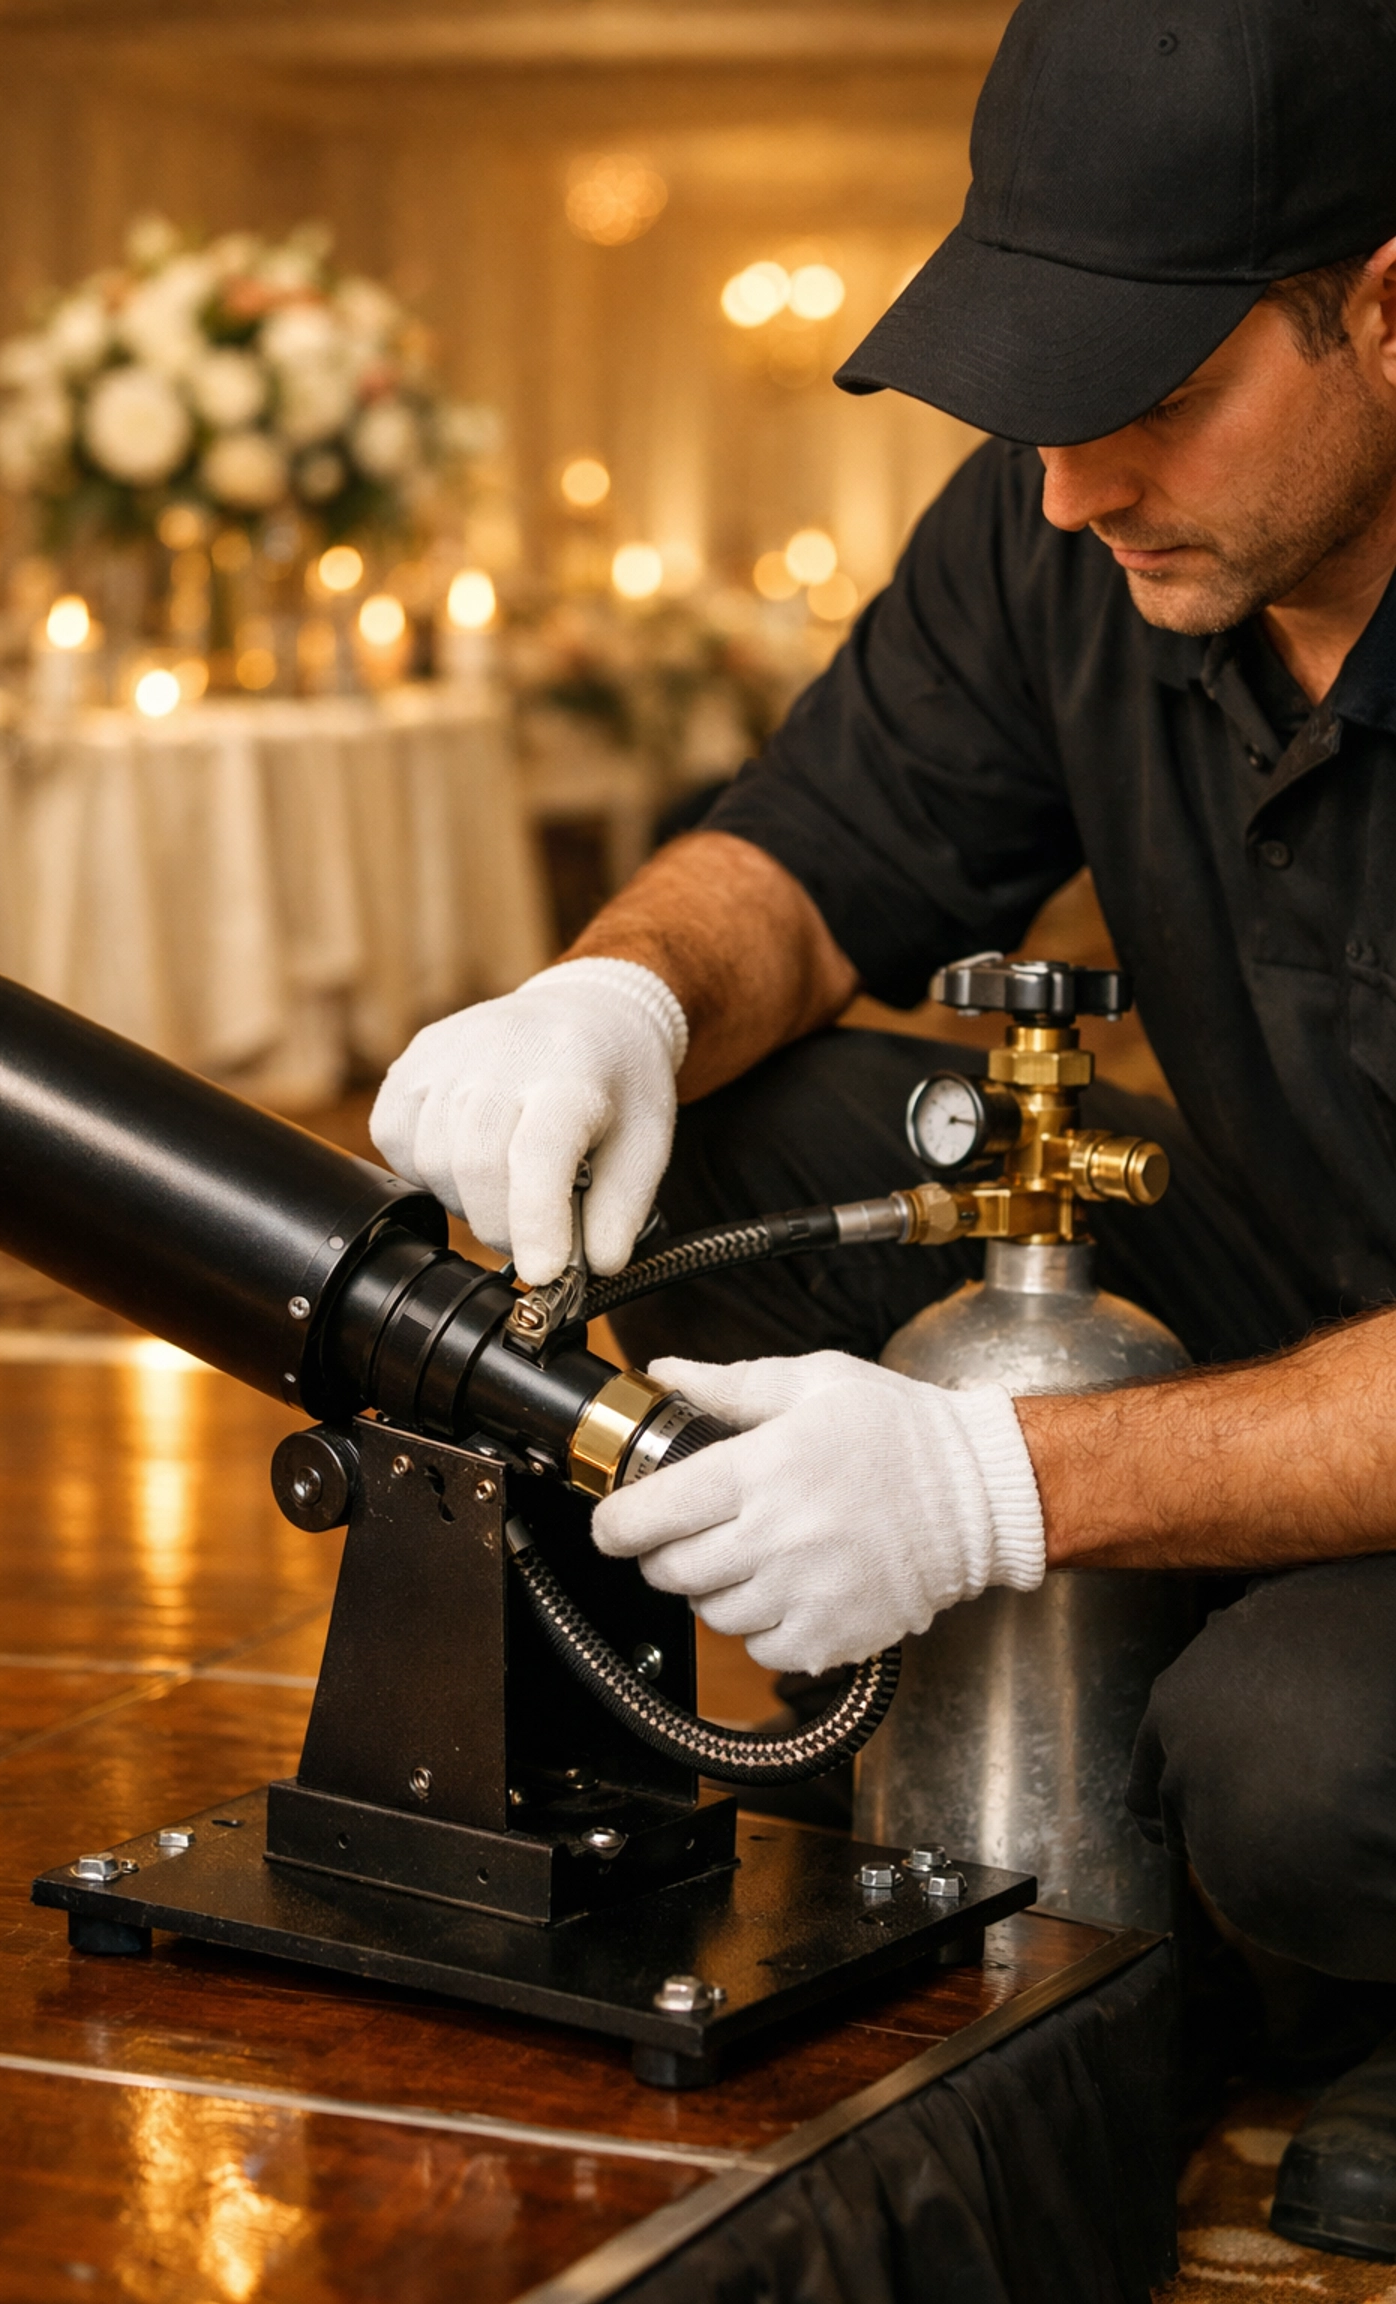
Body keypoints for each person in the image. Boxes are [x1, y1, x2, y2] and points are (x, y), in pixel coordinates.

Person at [374, 0, 1396, 2262]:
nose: (1062, 486)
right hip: (1304, 1288)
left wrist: (990, 1484)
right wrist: (613, 995)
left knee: (1307, 1768)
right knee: (712, 1158)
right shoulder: (1078, 524)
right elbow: (818, 855)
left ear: (1390, 308)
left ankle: (1301, 1945)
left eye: (1139, 399)